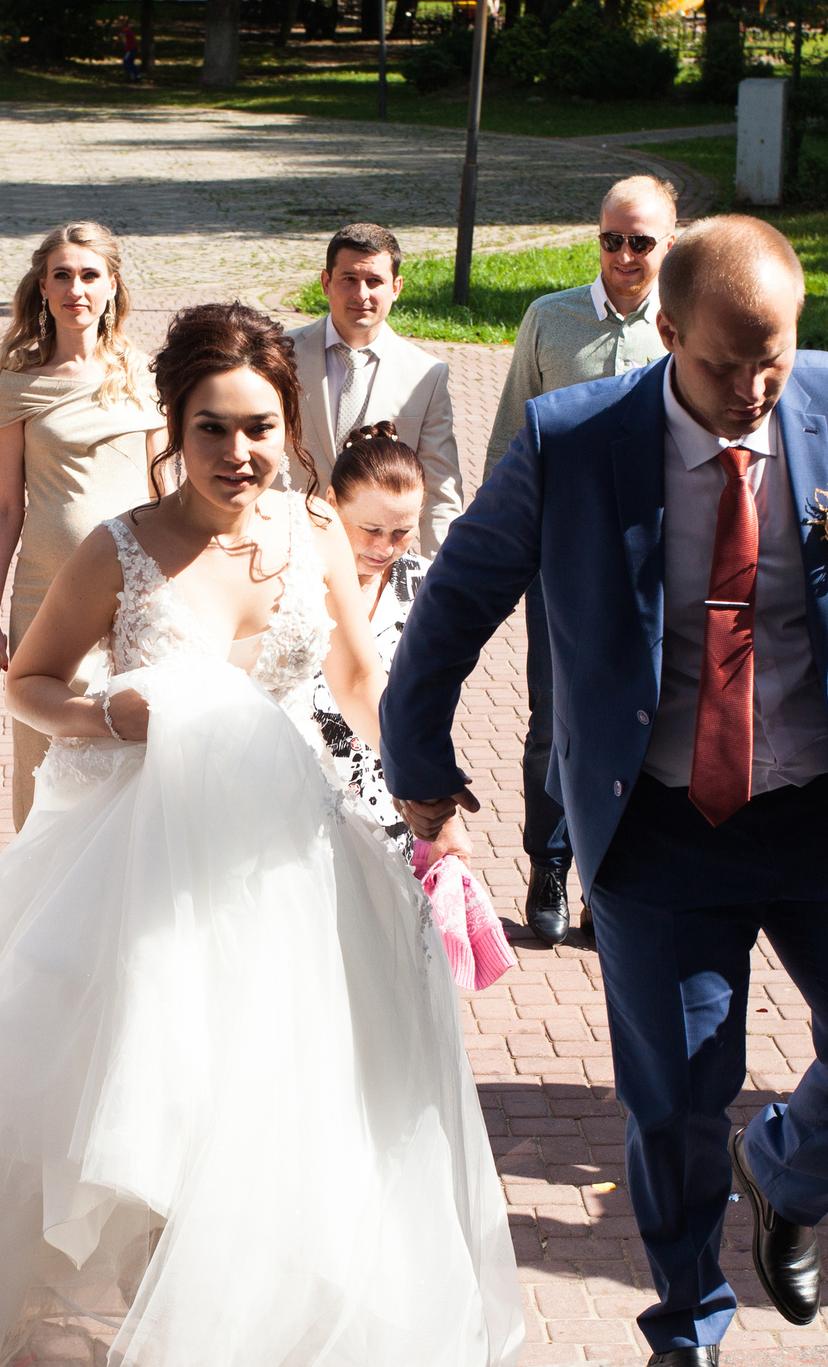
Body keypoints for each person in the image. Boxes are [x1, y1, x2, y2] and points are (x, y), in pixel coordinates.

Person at [0, 302, 521, 1367]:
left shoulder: (310, 532)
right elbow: (27, 684)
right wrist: (104, 711)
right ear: (176, 426)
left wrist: (415, 823)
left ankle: (248, 1338)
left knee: (293, 1104)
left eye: (258, 428)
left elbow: (357, 683)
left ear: (287, 424)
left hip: (297, 870)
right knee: (153, 1112)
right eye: (214, 430)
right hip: (144, 878)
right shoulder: (121, 547)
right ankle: (166, 1330)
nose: (238, 454)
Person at [384, 216, 828, 1367]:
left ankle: (787, 1172)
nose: (751, 392)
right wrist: (419, 758)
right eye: (723, 365)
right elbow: (463, 593)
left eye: (774, 361)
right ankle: (684, 1325)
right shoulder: (573, 439)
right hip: (659, 824)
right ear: (668, 332)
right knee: (679, 1098)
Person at [486, 174, 679, 945]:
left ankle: (614, 882)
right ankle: (550, 863)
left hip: (661, 556)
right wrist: (506, 545)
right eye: (610, 239)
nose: (623, 255)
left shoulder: (687, 323)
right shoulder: (549, 319)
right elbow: (510, 440)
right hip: (563, 554)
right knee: (554, 717)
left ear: (671, 242)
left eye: (640, 242)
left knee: (646, 720)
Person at [0, 221, 161, 829]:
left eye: (89, 275)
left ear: (111, 287)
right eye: (62, 276)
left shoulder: (142, 372)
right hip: (43, 591)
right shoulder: (18, 385)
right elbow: (6, 506)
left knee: (130, 746)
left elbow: (163, 489)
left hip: (134, 589)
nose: (76, 288)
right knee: (44, 752)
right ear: (43, 289)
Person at [309, 423, 452, 848]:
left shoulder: (428, 588)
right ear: (331, 503)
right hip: (301, 796)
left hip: (394, 809)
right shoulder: (293, 579)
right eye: (370, 529)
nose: (385, 548)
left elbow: (434, 705)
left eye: (402, 532)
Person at [285, 223, 464, 553]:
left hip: (380, 557)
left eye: (374, 281)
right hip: (291, 548)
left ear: (396, 287)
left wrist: (444, 581)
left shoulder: (426, 375)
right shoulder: (282, 355)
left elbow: (440, 490)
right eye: (349, 279)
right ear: (326, 282)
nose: (361, 294)